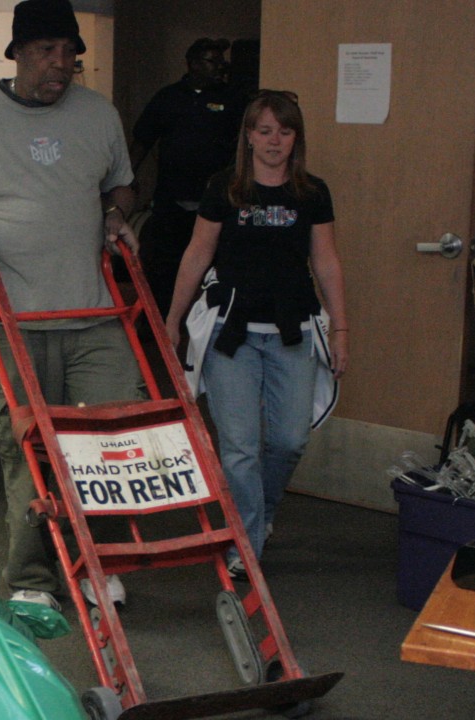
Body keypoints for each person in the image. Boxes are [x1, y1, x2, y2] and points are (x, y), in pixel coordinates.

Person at [0, 0, 138, 611]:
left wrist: (115, 213)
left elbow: (121, 186)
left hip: (93, 313)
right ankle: (32, 578)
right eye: (49, 51)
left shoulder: (98, 114)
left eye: (71, 54)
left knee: (107, 444)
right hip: (12, 316)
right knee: (27, 448)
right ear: (19, 53)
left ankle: (94, 563)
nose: (63, 65)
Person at [162, 90, 350, 572]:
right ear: (248, 135)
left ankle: (260, 511)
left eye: (284, 132)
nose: (274, 141)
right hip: (233, 333)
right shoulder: (225, 187)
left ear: (296, 138)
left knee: (289, 440)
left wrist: (342, 327)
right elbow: (197, 255)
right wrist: (173, 319)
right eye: (264, 131)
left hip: (293, 330)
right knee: (240, 447)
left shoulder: (311, 192)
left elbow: (325, 261)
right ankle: (245, 542)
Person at [131, 38, 246, 313]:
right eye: (212, 61)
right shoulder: (169, 97)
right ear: (192, 63)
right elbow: (142, 141)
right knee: (162, 265)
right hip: (172, 201)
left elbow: (244, 146)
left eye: (221, 62)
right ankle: (158, 324)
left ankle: (214, 323)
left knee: (219, 268)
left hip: (216, 203)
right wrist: (126, 178)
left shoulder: (232, 99)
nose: (219, 67)